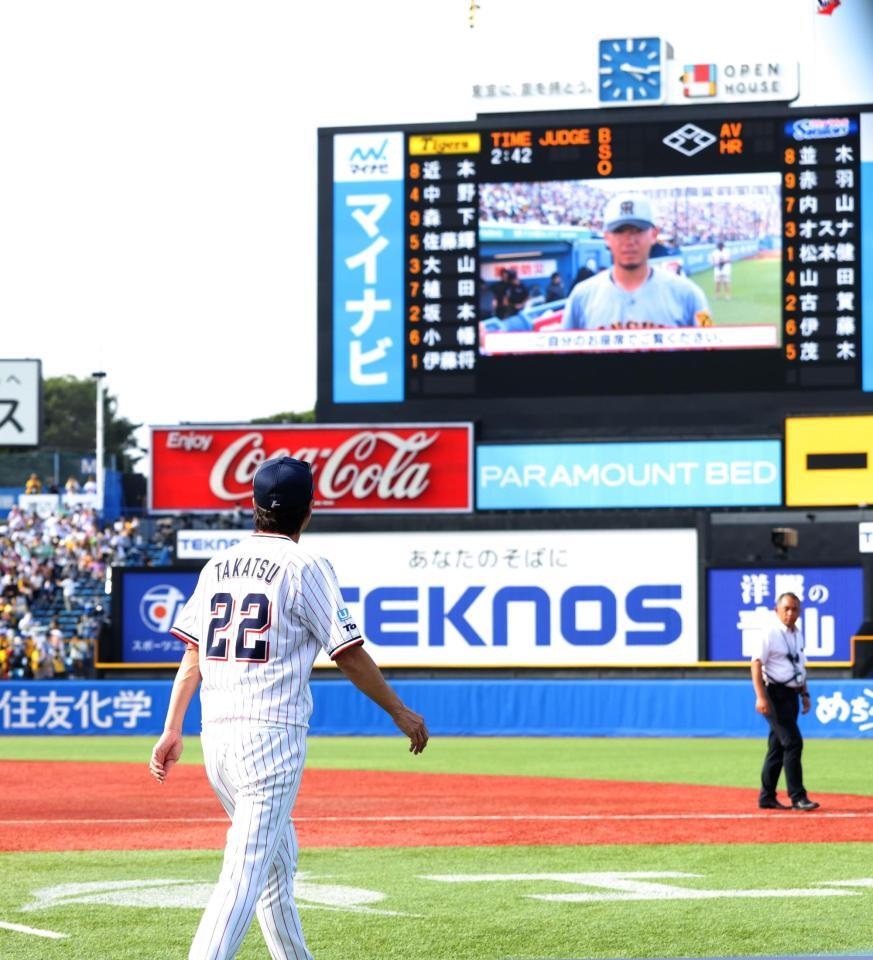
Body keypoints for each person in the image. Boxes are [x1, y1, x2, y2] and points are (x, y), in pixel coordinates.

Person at [149, 455, 428, 960]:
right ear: (309, 510)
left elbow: (193, 653)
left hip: (218, 740)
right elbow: (348, 653)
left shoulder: (218, 565)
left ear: (253, 506)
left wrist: (172, 728)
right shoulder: (307, 565)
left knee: (276, 866)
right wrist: (399, 711)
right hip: (270, 738)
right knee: (243, 875)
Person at [561, 193, 711, 330]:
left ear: (654, 234)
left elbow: (711, 342)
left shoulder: (690, 294)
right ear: (606, 237)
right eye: (619, 231)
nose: (629, 241)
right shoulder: (581, 296)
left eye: (637, 230)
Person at [750, 592, 819, 812]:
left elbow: (800, 666)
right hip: (774, 694)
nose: (790, 613)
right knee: (793, 742)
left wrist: (805, 694)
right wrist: (760, 696)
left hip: (791, 694)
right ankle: (798, 796)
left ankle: (767, 796)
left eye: (794, 609)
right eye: (786, 609)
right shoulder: (769, 633)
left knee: (778, 747)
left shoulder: (797, 634)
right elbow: (756, 663)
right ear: (776, 610)